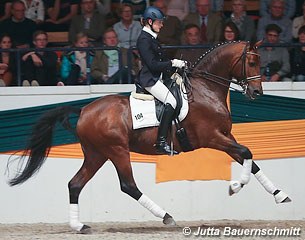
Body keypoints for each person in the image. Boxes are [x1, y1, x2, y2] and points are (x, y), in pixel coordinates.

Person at [136, 6, 186, 155]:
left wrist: (176, 69)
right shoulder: (143, 40)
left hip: (159, 77)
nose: (162, 25)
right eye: (159, 22)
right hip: (149, 79)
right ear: (149, 22)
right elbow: (152, 64)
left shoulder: (152, 38)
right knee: (171, 102)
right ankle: (161, 142)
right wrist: (172, 63)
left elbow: (162, 59)